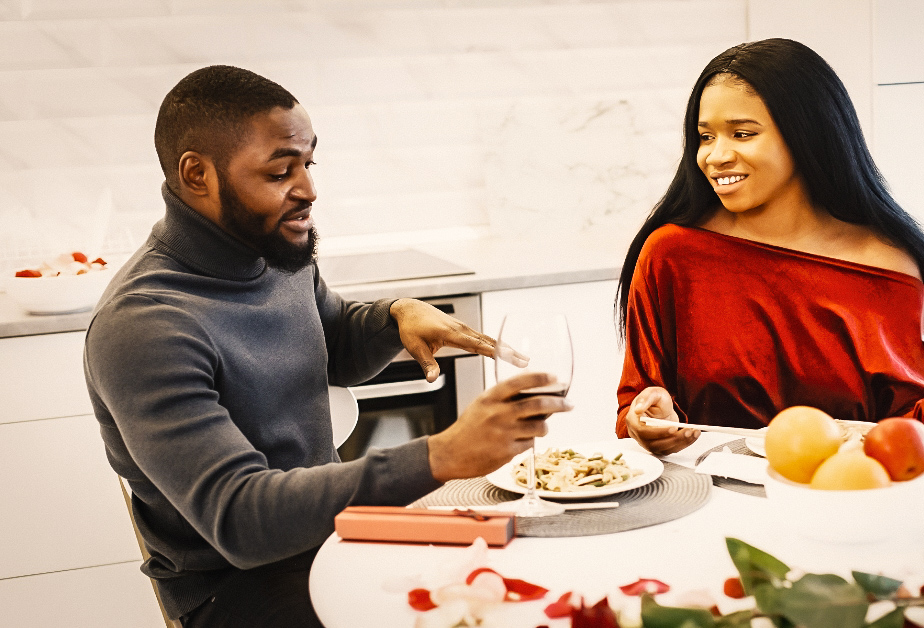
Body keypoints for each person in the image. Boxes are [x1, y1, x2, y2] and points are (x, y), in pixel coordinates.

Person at [83, 66, 570, 627]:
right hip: (236, 590)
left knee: (532, 576)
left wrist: (393, 319)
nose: (309, 190)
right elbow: (241, 519)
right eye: (280, 170)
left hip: (335, 538)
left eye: (308, 164)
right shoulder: (144, 325)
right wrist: (442, 455)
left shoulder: (270, 251)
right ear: (198, 175)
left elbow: (333, 342)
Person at [615, 39, 924, 455]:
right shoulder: (673, 253)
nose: (715, 156)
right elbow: (638, 406)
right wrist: (645, 418)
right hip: (710, 503)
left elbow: (900, 436)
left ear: (807, 133)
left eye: (742, 133)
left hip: (848, 501)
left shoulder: (887, 267)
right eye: (705, 137)